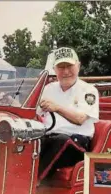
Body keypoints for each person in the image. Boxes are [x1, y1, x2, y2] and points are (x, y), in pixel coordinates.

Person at [37, 47, 99, 181]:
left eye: (69, 66)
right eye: (61, 67)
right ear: (55, 69)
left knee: (61, 141)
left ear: (78, 66)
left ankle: (32, 185)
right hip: (49, 139)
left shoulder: (88, 90)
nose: (65, 72)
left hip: (76, 144)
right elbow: (33, 111)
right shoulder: (48, 89)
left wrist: (57, 107)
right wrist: (11, 101)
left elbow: (80, 119)